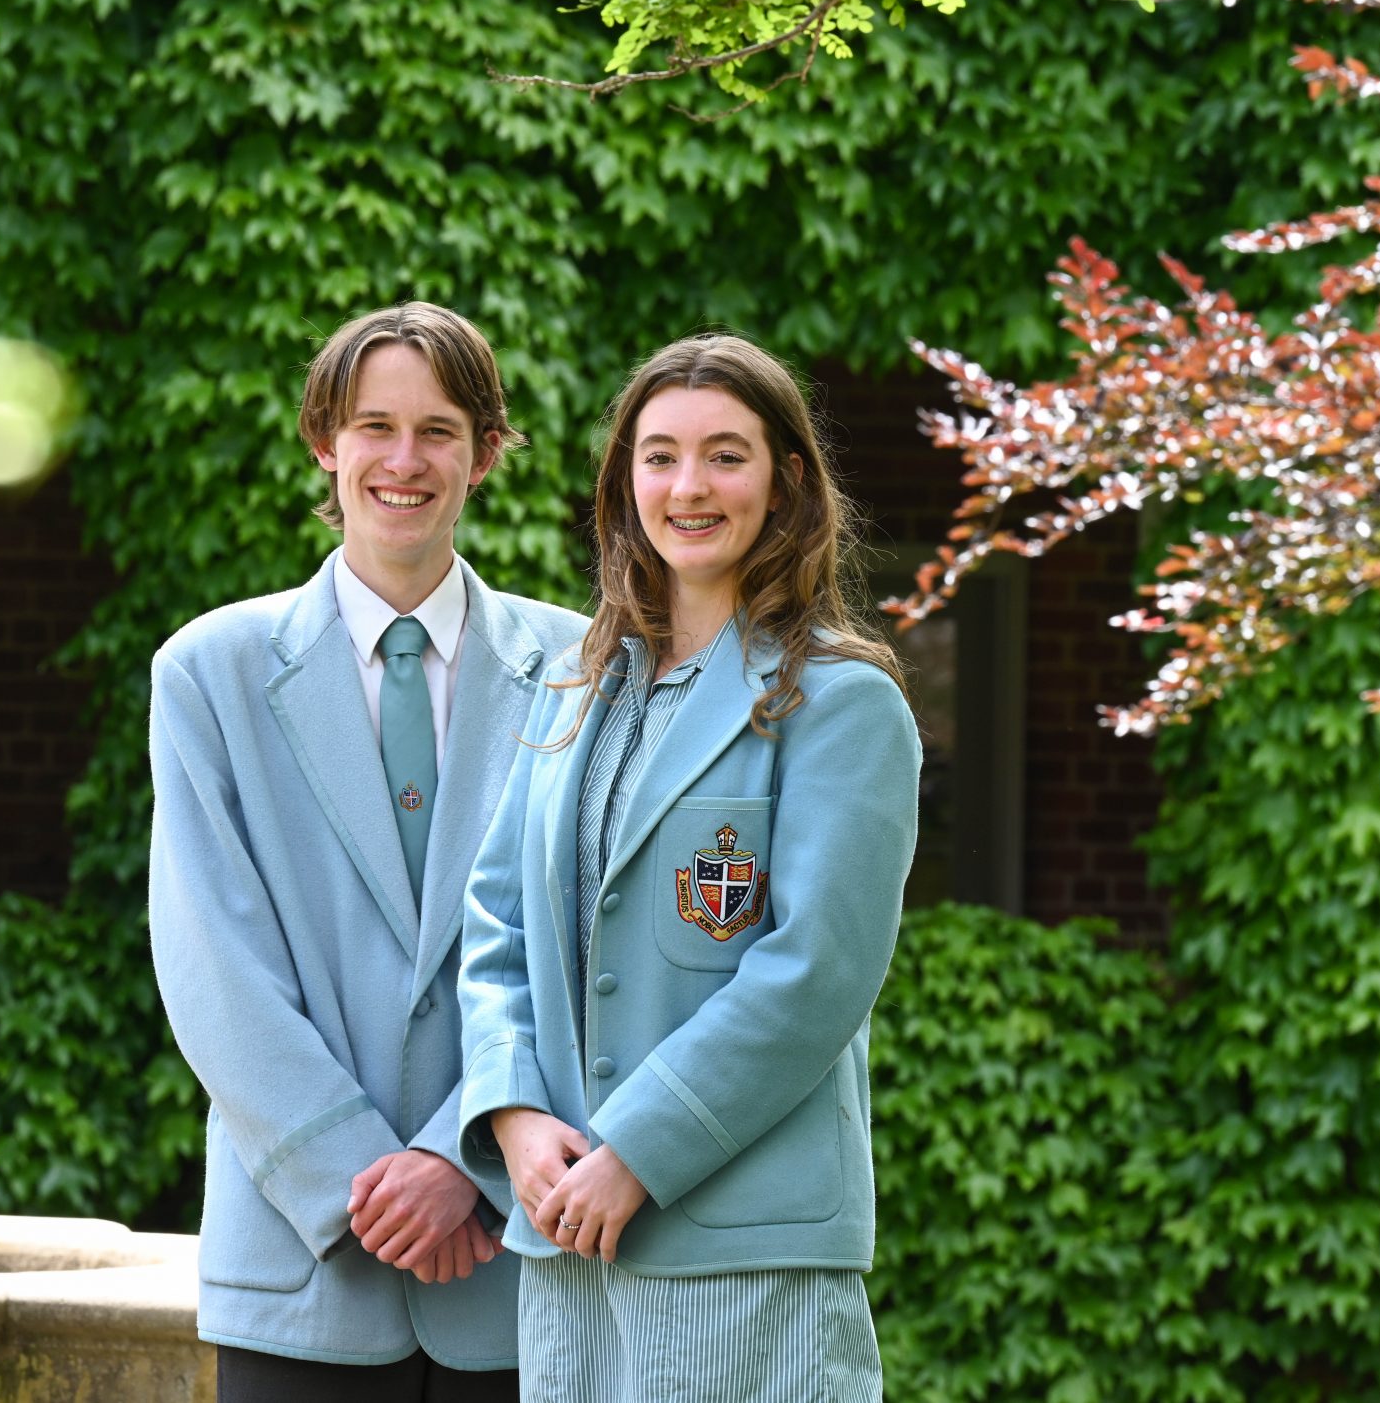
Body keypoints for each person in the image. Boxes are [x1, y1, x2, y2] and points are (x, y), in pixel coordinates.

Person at [456, 333, 919, 1403]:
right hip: (568, 1241)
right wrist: (514, 1112)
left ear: (787, 481)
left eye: (725, 454)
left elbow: (814, 974)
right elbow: (497, 925)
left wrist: (640, 1153)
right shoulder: (574, 694)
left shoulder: (841, 704)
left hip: (740, 1248)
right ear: (626, 482)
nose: (688, 486)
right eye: (659, 456)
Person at [149, 303, 588, 1400]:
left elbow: (586, 946)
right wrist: (360, 1182)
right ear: (322, 442)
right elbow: (213, 964)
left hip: (512, 1271)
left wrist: (463, 1157)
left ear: (484, 455)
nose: (403, 460)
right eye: (372, 427)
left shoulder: (584, 669)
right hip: (303, 1268)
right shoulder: (207, 673)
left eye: (438, 431)